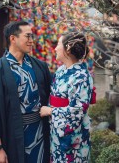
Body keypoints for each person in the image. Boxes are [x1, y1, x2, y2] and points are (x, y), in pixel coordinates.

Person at [0, 20, 52, 163]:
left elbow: (53, 96)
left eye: (32, 36)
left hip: (40, 133)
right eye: (27, 36)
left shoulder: (40, 66)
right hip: (12, 135)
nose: (31, 41)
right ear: (13, 38)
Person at [40, 32, 94, 163]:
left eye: (58, 44)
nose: (55, 48)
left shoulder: (81, 76)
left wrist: (50, 111)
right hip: (57, 133)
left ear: (68, 48)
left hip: (73, 138)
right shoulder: (61, 70)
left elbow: (78, 111)